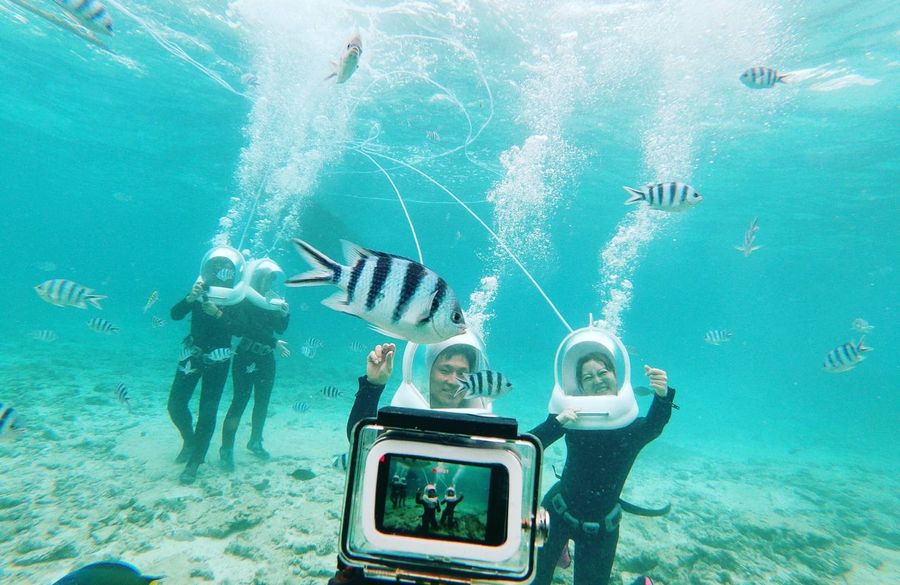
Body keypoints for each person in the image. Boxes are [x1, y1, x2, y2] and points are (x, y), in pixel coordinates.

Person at [529, 321, 677, 585]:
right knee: (534, 580)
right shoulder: (573, 418)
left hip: (601, 527)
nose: (597, 380)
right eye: (587, 377)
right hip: (555, 511)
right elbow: (532, 444)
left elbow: (654, 426)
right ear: (580, 387)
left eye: (603, 372)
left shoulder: (631, 429)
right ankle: (559, 548)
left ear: (615, 375)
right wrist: (556, 422)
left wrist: (662, 394)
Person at [167, 246, 246, 485]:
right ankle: (190, 441)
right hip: (192, 353)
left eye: (225, 268)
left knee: (207, 411)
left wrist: (219, 314)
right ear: (208, 269)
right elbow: (175, 314)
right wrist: (190, 298)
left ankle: (195, 461)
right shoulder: (200, 290)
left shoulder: (236, 296)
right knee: (175, 404)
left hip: (219, 360)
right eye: (215, 267)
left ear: (233, 272)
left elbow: (241, 330)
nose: (220, 271)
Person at [345, 331, 495, 441]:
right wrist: (374, 384)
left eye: (463, 373)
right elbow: (360, 438)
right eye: (445, 370)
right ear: (429, 371)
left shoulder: (482, 424)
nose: (453, 381)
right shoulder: (409, 413)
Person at [219, 258, 290, 470]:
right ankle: (226, 449)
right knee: (239, 401)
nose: (269, 284)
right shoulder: (245, 298)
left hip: (266, 358)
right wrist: (273, 341)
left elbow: (279, 329)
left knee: (262, 403)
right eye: (267, 279)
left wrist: (285, 315)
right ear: (258, 278)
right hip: (246, 355)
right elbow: (244, 329)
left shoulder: (273, 300)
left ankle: (255, 442)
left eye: (272, 280)